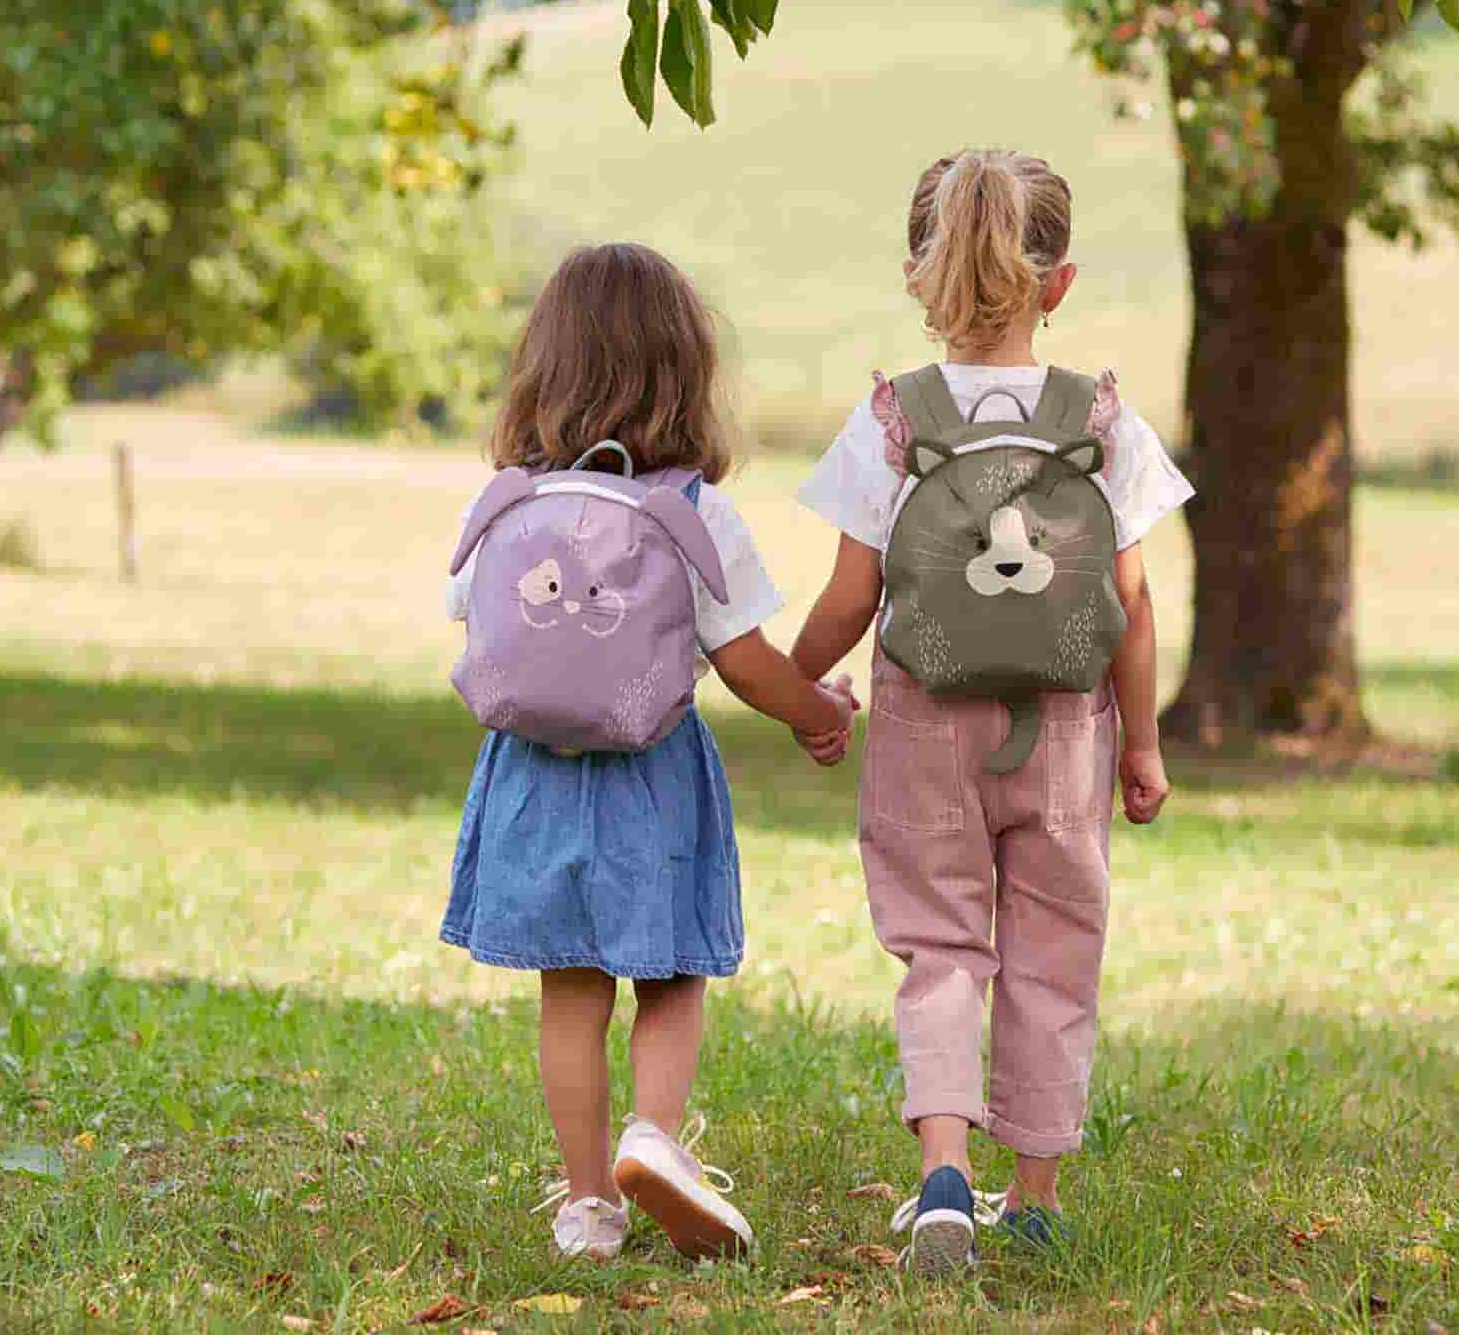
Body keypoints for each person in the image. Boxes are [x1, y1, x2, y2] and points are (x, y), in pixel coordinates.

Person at [788, 150, 1193, 1270]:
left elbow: (848, 596)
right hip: (1066, 729)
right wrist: (1143, 743)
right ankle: (1039, 1193)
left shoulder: (890, 422)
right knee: (1055, 947)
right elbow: (1132, 600)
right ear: (1057, 285)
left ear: (917, 275)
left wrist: (798, 684)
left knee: (939, 945)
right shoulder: (1103, 424)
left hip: (925, 721)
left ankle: (942, 1179)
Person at [440, 243, 857, 1262]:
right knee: (670, 974)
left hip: (529, 776)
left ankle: (587, 1204)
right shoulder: (691, 512)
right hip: (652, 778)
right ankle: (654, 1138)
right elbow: (748, 660)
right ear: (686, 371)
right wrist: (817, 710)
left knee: (569, 987)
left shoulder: (502, 502)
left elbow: (474, 622)